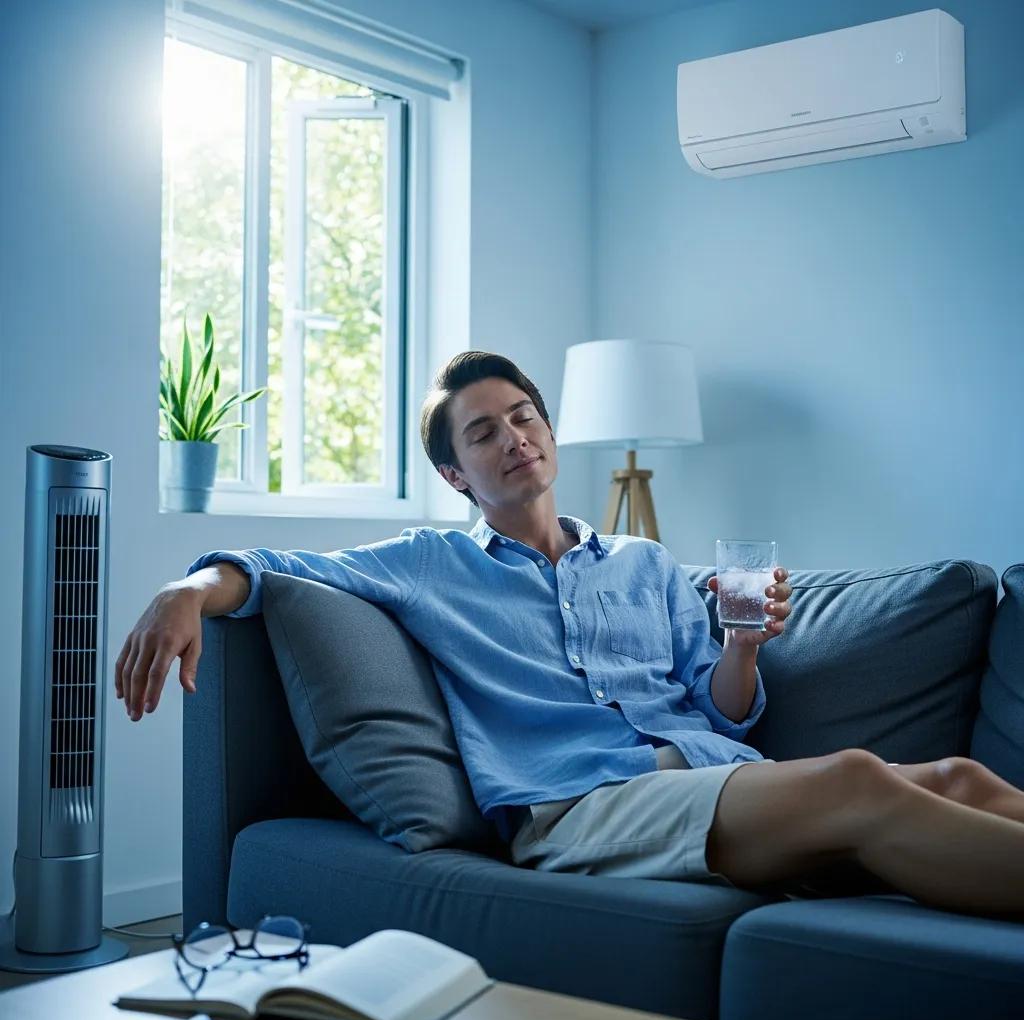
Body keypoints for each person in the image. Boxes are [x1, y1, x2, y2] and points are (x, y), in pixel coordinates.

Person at [117, 351, 1024, 918]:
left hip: (708, 775)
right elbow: (278, 567)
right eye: (484, 433)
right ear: (455, 474)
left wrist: (743, 647)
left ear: (548, 429)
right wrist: (184, 589)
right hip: (578, 807)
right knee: (858, 777)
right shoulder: (431, 562)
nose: (515, 437)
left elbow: (724, 712)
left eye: (524, 416)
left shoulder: (647, 563)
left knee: (958, 775)